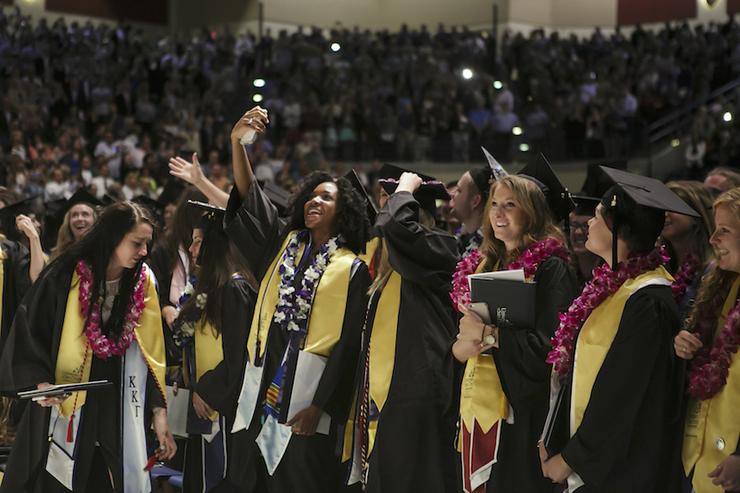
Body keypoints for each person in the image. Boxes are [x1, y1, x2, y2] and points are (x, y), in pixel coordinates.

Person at [224, 107, 371, 493]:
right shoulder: (282, 244)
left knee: (298, 481)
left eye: (326, 197)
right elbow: (249, 196)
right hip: (261, 386)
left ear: (344, 213)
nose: (314, 201)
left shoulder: (352, 269)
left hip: (306, 398)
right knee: (253, 478)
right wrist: (237, 144)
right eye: (311, 196)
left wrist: (320, 405)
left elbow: (347, 345)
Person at [0, 201, 177, 492]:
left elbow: (153, 354)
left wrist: (159, 415)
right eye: (137, 243)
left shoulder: (143, 282)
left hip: (118, 404)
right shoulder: (65, 274)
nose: (144, 252)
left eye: (147, 243)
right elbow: (31, 328)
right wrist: (40, 383)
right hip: (65, 401)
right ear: (113, 236)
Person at [540, 167, 697, 492]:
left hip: (624, 471)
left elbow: (621, 394)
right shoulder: (612, 288)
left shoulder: (648, 300)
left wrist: (570, 458)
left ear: (618, 230)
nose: (589, 225)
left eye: (598, 217)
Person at [452, 168, 577, 493]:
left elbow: (550, 348)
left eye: (510, 204)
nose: (498, 213)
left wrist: (490, 335)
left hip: (521, 415)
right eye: (495, 204)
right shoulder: (484, 264)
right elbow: (462, 346)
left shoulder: (552, 268)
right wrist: (463, 346)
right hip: (476, 410)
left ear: (531, 212)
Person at [344, 165, 459, 492]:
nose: (386, 212)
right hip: (392, 399)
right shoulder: (387, 274)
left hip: (418, 397)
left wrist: (405, 189)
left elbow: (393, 225)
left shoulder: (442, 248)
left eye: (395, 203)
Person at [171, 202, 256, 492]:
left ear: (216, 243)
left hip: (221, 408)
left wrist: (206, 390)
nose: (192, 250)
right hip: (204, 404)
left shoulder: (236, 288)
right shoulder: (210, 289)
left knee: (219, 479)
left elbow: (241, 357)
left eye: (197, 241)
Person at [676, 187, 740, 493]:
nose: (713, 240)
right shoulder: (721, 288)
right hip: (699, 453)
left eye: (724, 231)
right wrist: (685, 345)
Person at [663, 181, 715, 319]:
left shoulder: (712, 270)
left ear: (696, 215)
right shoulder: (659, 266)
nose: (664, 214)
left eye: (672, 206)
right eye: (660, 208)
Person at [49, 188, 103, 261]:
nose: (79, 219)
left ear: (95, 220)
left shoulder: (104, 253)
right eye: (74, 215)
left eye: (85, 214)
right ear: (68, 222)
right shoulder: (59, 256)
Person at [568, 196, 601, 288]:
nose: (578, 232)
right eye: (574, 225)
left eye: (586, 226)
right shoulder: (564, 271)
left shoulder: (611, 275)